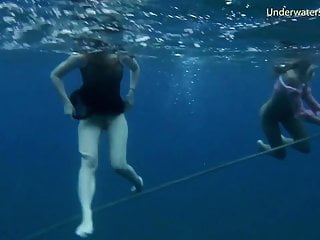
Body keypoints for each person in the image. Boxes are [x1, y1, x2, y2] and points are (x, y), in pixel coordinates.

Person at [50, 42, 143, 238]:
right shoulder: (81, 58)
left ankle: (137, 180)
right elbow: (55, 75)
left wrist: (132, 92)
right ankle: (86, 216)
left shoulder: (120, 55)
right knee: (88, 162)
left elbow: (136, 68)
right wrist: (66, 102)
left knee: (118, 165)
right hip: (90, 117)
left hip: (115, 116)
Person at [257, 58, 320, 159]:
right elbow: (300, 113)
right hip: (270, 117)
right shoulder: (291, 82)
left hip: (289, 114)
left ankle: (282, 141)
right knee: (280, 155)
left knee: (305, 147)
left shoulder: (302, 78)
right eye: (312, 72)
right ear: (304, 72)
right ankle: (264, 148)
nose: (314, 75)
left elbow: (309, 99)